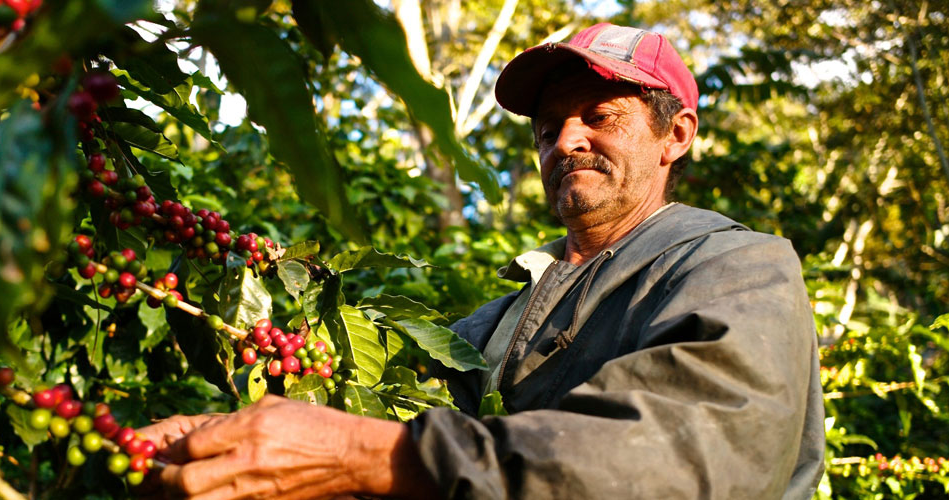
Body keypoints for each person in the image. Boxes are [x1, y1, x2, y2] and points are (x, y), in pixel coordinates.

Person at [137, 22, 825, 499]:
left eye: (599, 116)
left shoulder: (738, 268)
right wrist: (223, 443)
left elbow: (685, 462)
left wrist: (358, 453)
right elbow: (390, 467)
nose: (566, 141)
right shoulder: (487, 329)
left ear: (675, 135)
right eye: (549, 129)